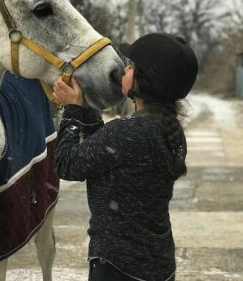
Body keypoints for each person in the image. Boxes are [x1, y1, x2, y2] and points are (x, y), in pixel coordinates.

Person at [53, 33, 198, 281]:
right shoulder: (167, 129)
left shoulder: (127, 132)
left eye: (131, 66)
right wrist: (86, 107)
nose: (124, 69)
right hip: (156, 265)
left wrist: (73, 111)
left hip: (118, 267)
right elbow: (105, 152)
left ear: (145, 81)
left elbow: (66, 164)